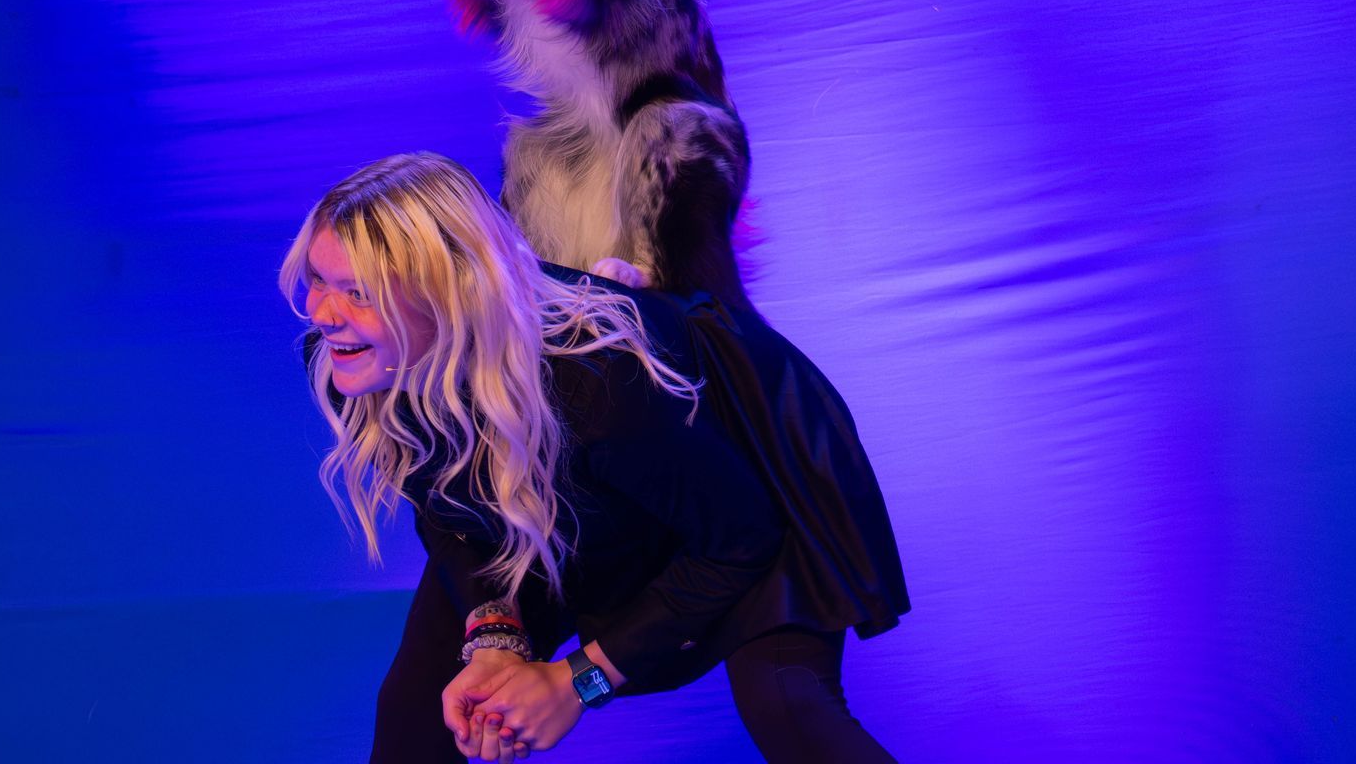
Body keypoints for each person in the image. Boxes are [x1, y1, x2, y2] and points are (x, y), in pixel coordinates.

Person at [281, 153, 909, 762]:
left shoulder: (596, 384)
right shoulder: (352, 360)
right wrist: (494, 636)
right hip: (581, 506)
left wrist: (577, 682)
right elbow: (448, 507)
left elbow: (739, 539)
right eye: (317, 281)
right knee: (417, 710)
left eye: (358, 292)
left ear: (450, 299)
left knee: (789, 706)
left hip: (743, 502)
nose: (321, 315)